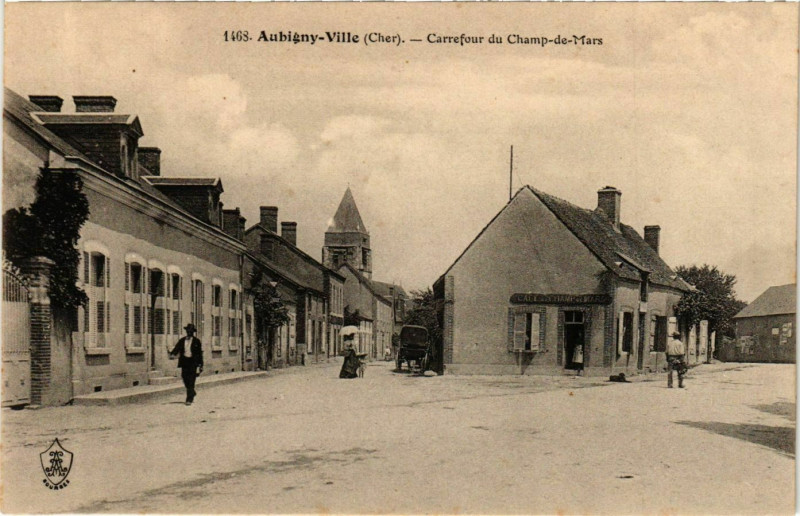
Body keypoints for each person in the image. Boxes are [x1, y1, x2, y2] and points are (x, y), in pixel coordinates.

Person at [167, 323, 204, 404]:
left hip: (193, 362)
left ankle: (189, 399)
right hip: (184, 362)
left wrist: (201, 365)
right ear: (186, 331)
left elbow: (199, 354)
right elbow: (177, 348)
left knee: (191, 380)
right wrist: (172, 353)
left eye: (191, 331)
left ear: (193, 332)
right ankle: (192, 392)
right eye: (188, 331)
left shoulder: (197, 341)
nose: (189, 332)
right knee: (184, 377)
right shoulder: (182, 340)